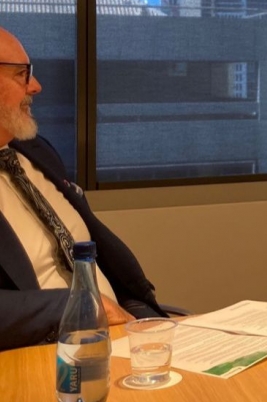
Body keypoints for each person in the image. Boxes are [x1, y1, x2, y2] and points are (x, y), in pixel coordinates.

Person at [0, 27, 166, 351]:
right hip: (46, 352)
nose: (36, 86)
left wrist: (136, 312)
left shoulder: (37, 152)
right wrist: (73, 307)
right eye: (22, 74)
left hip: (125, 328)